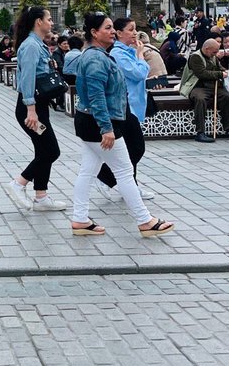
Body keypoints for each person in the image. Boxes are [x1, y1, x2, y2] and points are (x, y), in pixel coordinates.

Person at [71, 14, 175, 237]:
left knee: (88, 171)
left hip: (90, 121)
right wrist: (106, 128)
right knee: (124, 171)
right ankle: (145, 220)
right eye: (107, 28)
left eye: (112, 27)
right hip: (99, 122)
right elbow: (97, 96)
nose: (112, 31)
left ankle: (80, 218)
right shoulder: (95, 59)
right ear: (94, 32)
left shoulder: (97, 55)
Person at [5, 6, 67, 214]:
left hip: (38, 106)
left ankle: (41, 196)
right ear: (38, 22)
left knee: (43, 150)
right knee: (51, 151)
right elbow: (27, 78)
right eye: (49, 19)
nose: (52, 22)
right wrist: (31, 110)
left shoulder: (38, 44)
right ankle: (19, 183)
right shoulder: (31, 46)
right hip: (30, 108)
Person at [96, 17, 153, 204]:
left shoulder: (128, 51)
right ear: (119, 33)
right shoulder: (118, 54)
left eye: (135, 29)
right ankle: (105, 178)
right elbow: (139, 73)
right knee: (136, 148)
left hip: (133, 106)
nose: (135, 33)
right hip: (125, 106)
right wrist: (140, 56)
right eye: (130, 29)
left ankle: (130, 187)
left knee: (130, 148)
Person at [186, 38, 229, 143]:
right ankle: (200, 132)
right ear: (207, 49)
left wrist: (225, 72)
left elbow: (219, 67)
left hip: (213, 86)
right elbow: (202, 73)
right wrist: (219, 74)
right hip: (198, 86)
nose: (215, 54)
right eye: (214, 52)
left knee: (227, 97)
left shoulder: (213, 56)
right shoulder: (195, 57)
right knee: (200, 99)